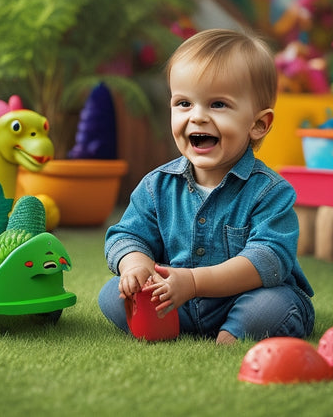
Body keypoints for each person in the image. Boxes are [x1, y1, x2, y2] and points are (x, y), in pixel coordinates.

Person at [98, 28, 315, 345]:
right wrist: (136, 266)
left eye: (218, 105)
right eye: (184, 103)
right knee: (112, 295)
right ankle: (171, 320)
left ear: (258, 124)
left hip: (243, 298)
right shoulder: (156, 186)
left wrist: (194, 282)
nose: (197, 117)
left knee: (272, 307)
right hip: (177, 297)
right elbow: (128, 234)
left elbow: (269, 258)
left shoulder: (270, 192)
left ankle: (234, 330)